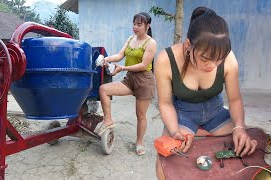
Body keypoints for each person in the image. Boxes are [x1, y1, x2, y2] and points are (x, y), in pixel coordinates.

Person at [154, 7, 257, 179]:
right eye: (205, 58)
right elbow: (165, 103)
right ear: (188, 45)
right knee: (165, 165)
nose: (212, 65)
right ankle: (191, 134)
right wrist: (174, 132)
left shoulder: (229, 59)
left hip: (216, 113)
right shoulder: (166, 59)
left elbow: (235, 99)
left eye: (219, 59)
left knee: (250, 145)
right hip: (182, 116)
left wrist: (239, 127)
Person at [97, 12, 157, 156]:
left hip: (144, 81)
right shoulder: (131, 39)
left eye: (139, 24)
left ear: (148, 26)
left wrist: (122, 68)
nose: (135, 27)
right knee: (104, 89)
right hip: (130, 79)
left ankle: (139, 142)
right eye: (134, 24)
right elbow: (120, 55)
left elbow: (144, 65)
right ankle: (108, 120)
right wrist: (107, 59)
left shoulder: (151, 43)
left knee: (140, 115)